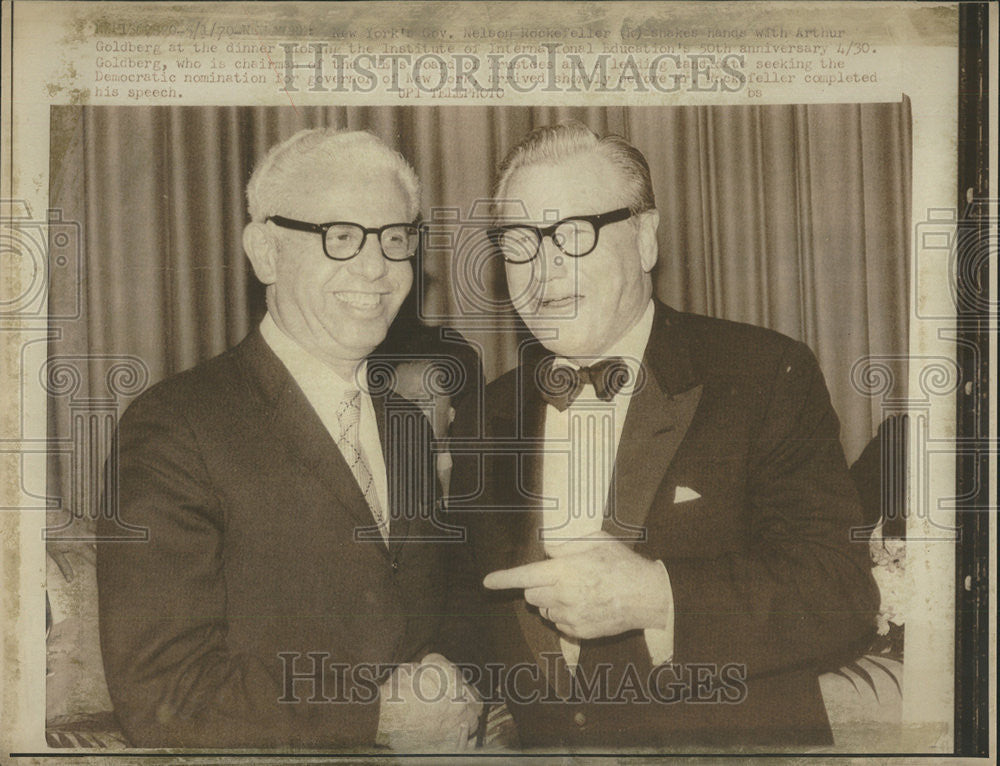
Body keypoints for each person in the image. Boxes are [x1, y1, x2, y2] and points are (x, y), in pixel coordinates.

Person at [447, 122, 879, 747]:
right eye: (519, 243)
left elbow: (839, 592)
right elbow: (465, 609)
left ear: (645, 238)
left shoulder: (762, 374)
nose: (542, 270)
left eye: (572, 233)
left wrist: (658, 597)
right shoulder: (487, 416)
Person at [97, 128, 481, 749]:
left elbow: (428, 615)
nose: (375, 268)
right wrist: (376, 718)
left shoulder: (407, 423)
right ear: (266, 252)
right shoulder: (175, 428)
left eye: (394, 238)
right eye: (340, 237)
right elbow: (164, 694)